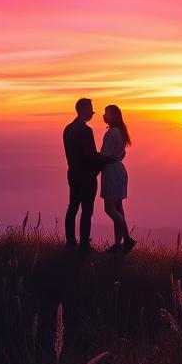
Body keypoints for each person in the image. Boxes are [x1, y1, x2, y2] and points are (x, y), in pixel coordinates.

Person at [62, 98, 113, 251]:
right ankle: (84, 244)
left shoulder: (68, 129)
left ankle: (70, 242)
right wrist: (105, 159)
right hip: (86, 176)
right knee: (87, 210)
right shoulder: (86, 130)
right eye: (90, 108)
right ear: (83, 110)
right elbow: (90, 155)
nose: (92, 112)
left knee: (73, 207)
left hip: (73, 175)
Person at [100, 104, 136, 253]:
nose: (103, 116)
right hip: (119, 170)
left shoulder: (111, 133)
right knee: (118, 207)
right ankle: (118, 243)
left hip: (111, 171)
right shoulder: (120, 132)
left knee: (109, 209)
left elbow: (105, 155)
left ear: (112, 116)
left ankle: (127, 238)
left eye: (105, 113)